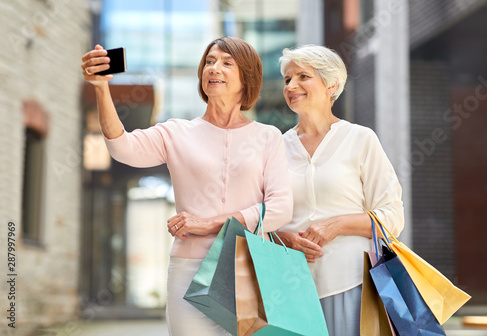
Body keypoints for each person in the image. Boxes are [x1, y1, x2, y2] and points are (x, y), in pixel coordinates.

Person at [81, 36, 293, 336]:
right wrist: (101, 88)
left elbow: (281, 208)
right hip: (190, 271)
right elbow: (121, 147)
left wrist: (211, 224)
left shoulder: (268, 137)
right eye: (209, 61)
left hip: (250, 268)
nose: (213, 67)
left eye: (226, 63)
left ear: (247, 78)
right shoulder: (177, 132)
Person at [275, 44, 404, 336]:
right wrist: (284, 237)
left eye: (302, 76)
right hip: (290, 288)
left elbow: (392, 217)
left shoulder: (360, 139)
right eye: (287, 79)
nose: (291, 85)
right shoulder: (275, 147)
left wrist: (337, 224)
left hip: (352, 285)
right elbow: (262, 219)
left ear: (331, 84)